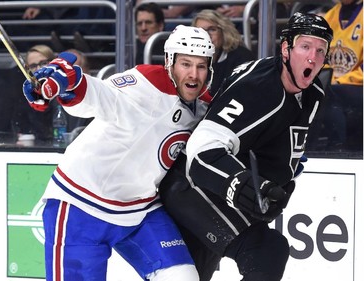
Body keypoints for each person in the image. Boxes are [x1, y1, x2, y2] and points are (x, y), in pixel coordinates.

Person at [22, 25, 215, 280]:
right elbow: (103, 96)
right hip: (80, 204)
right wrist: (70, 84)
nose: (193, 74)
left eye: (201, 66)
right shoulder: (145, 85)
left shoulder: (204, 107)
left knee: (183, 276)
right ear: (170, 62)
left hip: (140, 209)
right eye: (186, 64)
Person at [159, 12, 333, 281]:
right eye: (305, 46)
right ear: (286, 48)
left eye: (321, 50)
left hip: (217, 194)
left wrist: (284, 175)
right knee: (266, 251)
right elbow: (201, 153)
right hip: (193, 188)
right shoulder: (259, 86)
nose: (313, 57)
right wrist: (242, 187)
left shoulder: (313, 95)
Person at [322, 0, 363, 150]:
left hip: (359, 84)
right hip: (335, 85)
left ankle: (338, 147)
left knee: (331, 93)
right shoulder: (330, 16)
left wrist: (340, 81)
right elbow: (321, 57)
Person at [192, 9, 256, 96]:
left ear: (224, 32)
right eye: (201, 31)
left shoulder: (242, 57)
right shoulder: (188, 58)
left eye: (212, 29)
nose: (207, 35)